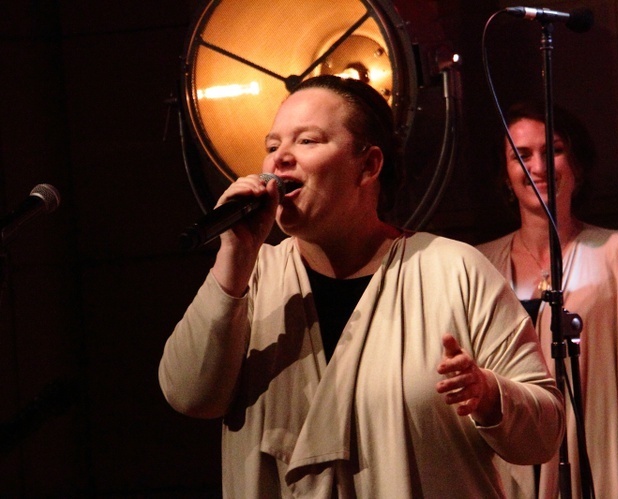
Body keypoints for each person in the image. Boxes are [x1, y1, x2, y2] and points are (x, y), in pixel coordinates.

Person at [158, 75, 565, 498]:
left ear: (369, 165)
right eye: (272, 146)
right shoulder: (250, 277)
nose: (279, 160)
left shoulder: (453, 269)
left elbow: (545, 432)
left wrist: (487, 394)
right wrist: (234, 259)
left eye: (307, 141)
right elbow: (188, 394)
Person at [476, 101, 618, 498]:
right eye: (521, 155)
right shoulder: (479, 265)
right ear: (505, 172)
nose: (538, 166)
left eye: (553, 150)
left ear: (577, 162)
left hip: (605, 472)